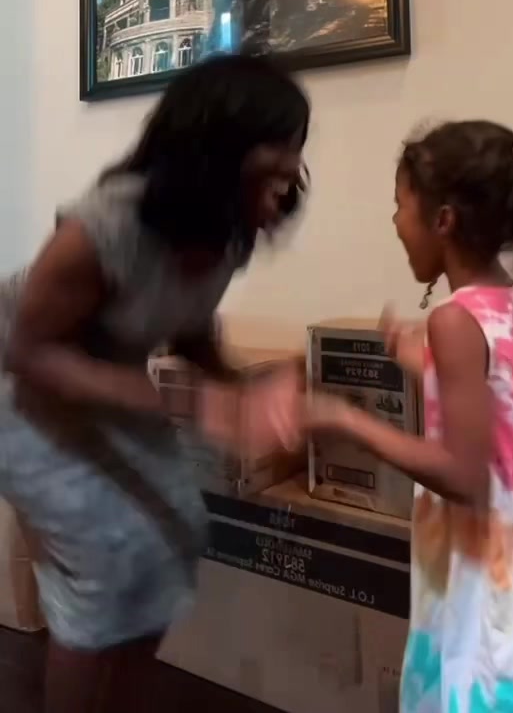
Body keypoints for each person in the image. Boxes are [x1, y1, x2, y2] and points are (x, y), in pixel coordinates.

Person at [0, 52, 309, 713]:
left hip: (101, 377)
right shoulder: (104, 225)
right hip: (17, 386)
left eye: (294, 156)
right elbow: (27, 350)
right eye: (277, 155)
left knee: (177, 530)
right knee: (105, 559)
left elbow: (189, 324)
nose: (290, 176)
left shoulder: (230, 230)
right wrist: (177, 400)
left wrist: (237, 386)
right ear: (216, 149)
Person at [307, 121, 513, 711]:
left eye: (399, 205)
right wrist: (427, 364)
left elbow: (465, 476)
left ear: (442, 220)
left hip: (501, 548)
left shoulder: (453, 320)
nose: (394, 222)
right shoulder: (506, 299)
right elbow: (506, 397)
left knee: (485, 675)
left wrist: (346, 419)